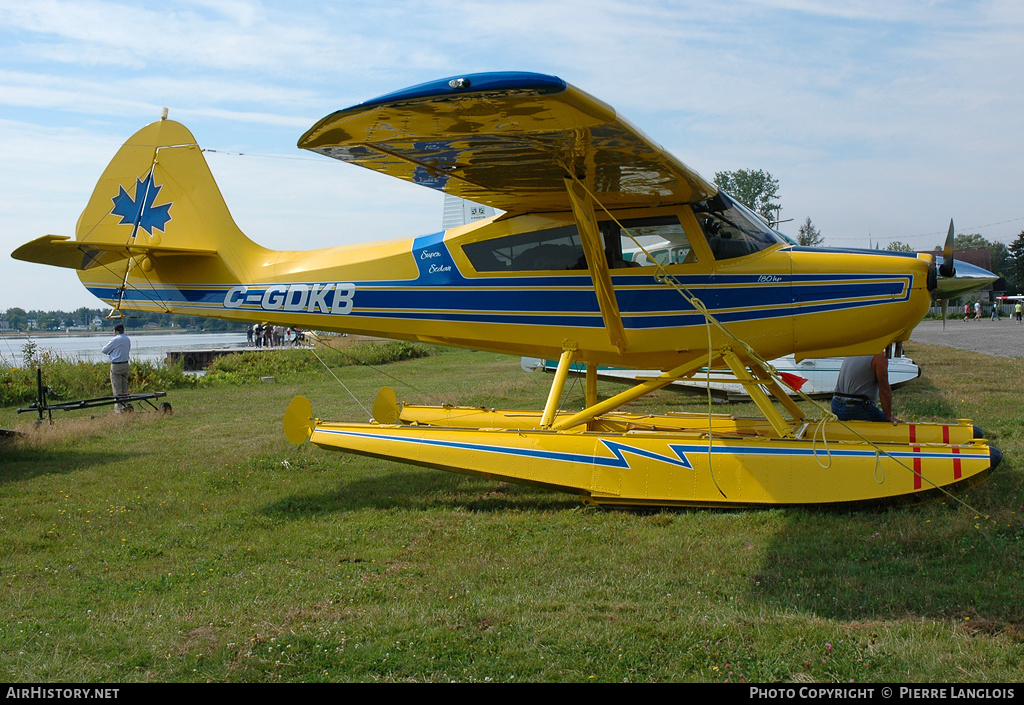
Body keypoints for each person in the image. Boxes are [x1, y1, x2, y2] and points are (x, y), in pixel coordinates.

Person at [831, 350, 897, 423]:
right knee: (886, 426)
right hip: (855, 407)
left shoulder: (855, 350)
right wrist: (889, 418)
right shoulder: (879, 356)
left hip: (836, 404)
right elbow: (884, 389)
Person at [100, 323, 131, 412]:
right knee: (124, 387)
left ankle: (119, 410)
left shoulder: (115, 340)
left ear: (115, 331)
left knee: (117, 389)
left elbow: (104, 350)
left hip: (116, 365)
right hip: (125, 364)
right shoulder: (127, 339)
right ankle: (126, 405)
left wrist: (112, 352)